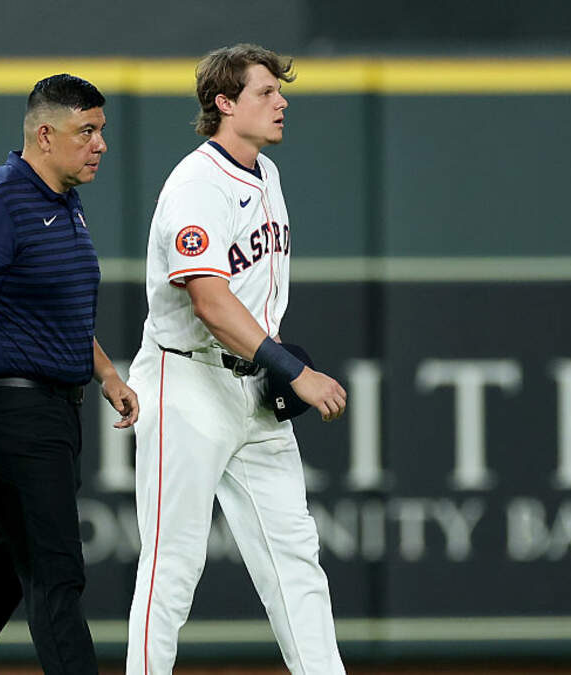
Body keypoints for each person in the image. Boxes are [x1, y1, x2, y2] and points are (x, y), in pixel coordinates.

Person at [124, 44, 348, 674]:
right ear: (224, 103)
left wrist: (275, 366)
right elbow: (211, 303)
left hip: (254, 391)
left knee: (295, 558)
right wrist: (295, 371)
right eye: (265, 92)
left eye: (280, 91)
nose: (281, 102)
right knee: (173, 564)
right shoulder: (197, 185)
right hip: (186, 381)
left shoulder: (265, 174)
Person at [0, 73, 138, 675]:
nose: (100, 144)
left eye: (101, 130)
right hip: (14, 415)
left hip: (51, 410)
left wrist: (105, 374)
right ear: (44, 135)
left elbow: (54, 307)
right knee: (55, 575)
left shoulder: (63, 201)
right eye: (85, 131)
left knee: (0, 578)